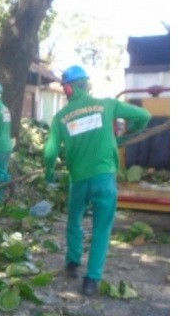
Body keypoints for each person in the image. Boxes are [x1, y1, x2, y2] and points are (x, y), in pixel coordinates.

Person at [44, 65, 151, 296]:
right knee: (101, 228)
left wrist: (49, 173)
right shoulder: (107, 105)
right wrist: (128, 135)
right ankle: (91, 281)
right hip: (104, 179)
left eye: (64, 88)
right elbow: (144, 115)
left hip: (79, 180)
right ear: (87, 85)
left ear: (69, 88)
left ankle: (73, 264)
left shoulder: (61, 117)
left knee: (74, 221)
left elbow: (50, 153)